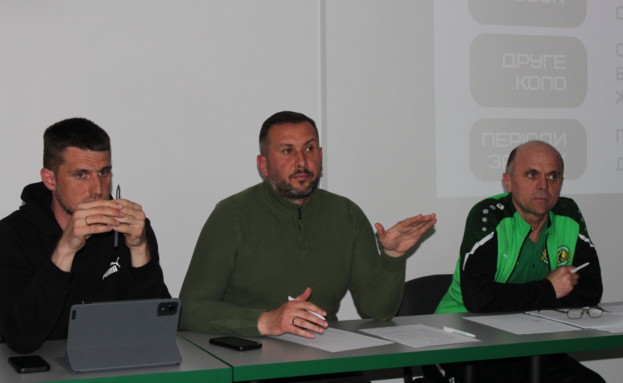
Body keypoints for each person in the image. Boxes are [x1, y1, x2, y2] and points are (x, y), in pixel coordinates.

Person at [180, 111, 437, 341]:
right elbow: (189, 310)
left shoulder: (347, 214)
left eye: (310, 148)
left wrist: (392, 257)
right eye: (287, 151)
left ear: (321, 156)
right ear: (264, 165)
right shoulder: (232, 215)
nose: (302, 161)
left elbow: (378, 311)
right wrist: (266, 321)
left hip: (325, 353)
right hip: (250, 355)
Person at [434, 140, 604, 383]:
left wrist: (515, 297)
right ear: (508, 181)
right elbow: (479, 298)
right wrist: (549, 289)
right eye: (532, 174)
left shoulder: (568, 213)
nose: (543, 185)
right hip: (463, 339)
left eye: (553, 176)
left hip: (529, 340)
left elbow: (591, 290)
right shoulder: (488, 215)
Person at [0, 117, 170, 354]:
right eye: (81, 174)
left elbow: (158, 328)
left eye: (104, 172)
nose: (98, 189)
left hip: (115, 362)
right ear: (50, 179)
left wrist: (140, 249)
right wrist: (65, 251)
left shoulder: (130, 227)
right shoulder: (12, 234)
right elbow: (20, 339)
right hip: (44, 366)